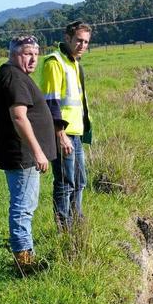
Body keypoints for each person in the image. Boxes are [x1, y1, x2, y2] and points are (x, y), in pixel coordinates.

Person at [0, 35, 56, 271]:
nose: (33, 59)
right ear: (13, 53)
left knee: (25, 204)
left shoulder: (14, 75)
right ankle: (24, 261)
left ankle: (25, 253)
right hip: (22, 154)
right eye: (27, 53)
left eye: (36, 54)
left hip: (22, 153)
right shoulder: (14, 77)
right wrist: (38, 151)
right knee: (23, 206)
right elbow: (19, 116)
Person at [40, 21, 92, 231]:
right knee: (64, 183)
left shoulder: (74, 63)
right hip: (63, 133)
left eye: (86, 42)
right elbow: (50, 102)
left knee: (80, 181)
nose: (82, 45)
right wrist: (60, 135)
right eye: (78, 40)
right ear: (67, 38)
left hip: (76, 132)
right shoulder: (55, 62)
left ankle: (77, 222)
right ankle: (64, 229)